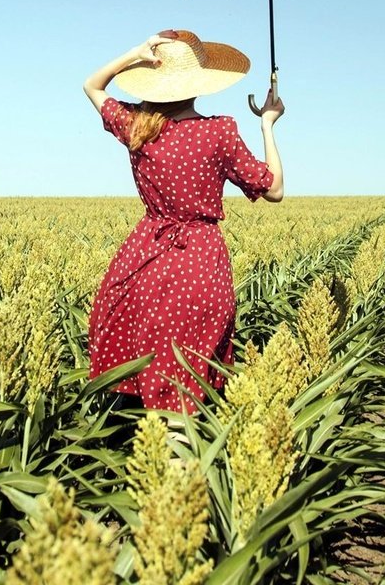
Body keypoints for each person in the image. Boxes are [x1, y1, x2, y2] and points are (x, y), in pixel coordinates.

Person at [82, 29, 284, 414]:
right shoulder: (219, 132)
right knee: (184, 383)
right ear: (200, 83)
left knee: (148, 369)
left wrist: (134, 53)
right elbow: (273, 190)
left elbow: (92, 86)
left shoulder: (136, 126)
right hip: (199, 262)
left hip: (146, 259)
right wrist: (268, 125)